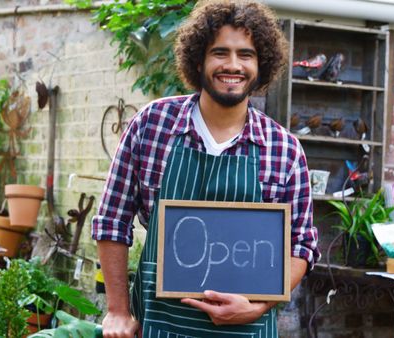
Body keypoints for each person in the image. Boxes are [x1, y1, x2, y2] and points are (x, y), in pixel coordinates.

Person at [92, 1, 320, 336]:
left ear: (261, 64)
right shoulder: (152, 126)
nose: (233, 65)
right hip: (159, 325)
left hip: (248, 329)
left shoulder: (283, 149)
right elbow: (113, 218)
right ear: (198, 58)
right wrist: (117, 311)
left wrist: (258, 306)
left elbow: (300, 244)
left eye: (246, 54)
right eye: (220, 53)